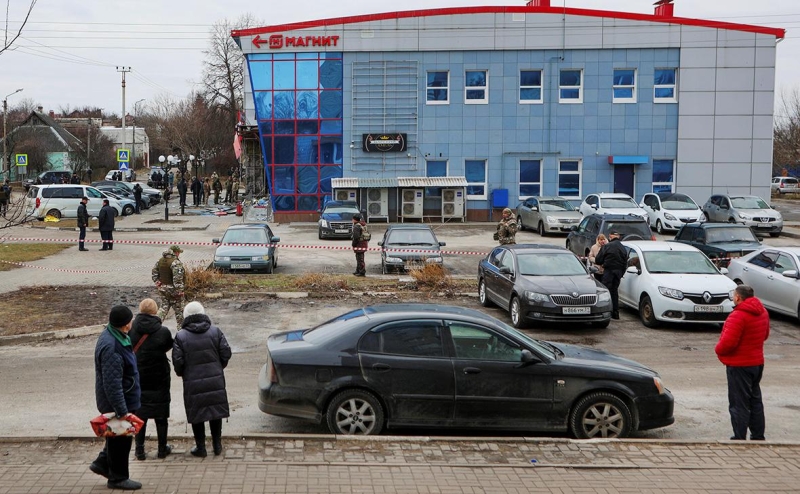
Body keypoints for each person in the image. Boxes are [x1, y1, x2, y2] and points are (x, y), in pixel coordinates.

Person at [89, 305, 142, 491]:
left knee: (115, 436)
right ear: (126, 324)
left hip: (123, 397)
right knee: (121, 440)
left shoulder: (114, 335)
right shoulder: (112, 346)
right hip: (120, 401)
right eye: (131, 319)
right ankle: (118, 478)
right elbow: (112, 384)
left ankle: (102, 463)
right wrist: (122, 412)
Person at [173, 301, 232, 458]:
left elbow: (178, 362)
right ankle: (217, 445)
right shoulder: (215, 331)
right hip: (215, 379)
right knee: (215, 411)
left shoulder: (181, 336)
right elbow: (226, 353)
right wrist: (219, 367)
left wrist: (182, 373)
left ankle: (201, 447)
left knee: (197, 412)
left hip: (192, 381)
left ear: (186, 316)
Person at [715, 285, 770, 441]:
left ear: (738, 297)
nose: (733, 298)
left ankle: (739, 436)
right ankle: (758, 435)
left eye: (734, 295)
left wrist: (717, 349)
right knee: (755, 399)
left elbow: (728, 343)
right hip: (757, 363)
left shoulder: (737, 316)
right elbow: (765, 335)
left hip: (739, 365)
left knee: (739, 402)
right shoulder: (763, 312)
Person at [129, 299, 174, 461]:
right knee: (161, 415)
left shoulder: (131, 330)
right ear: (155, 311)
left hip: (138, 376)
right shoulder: (163, 331)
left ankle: (139, 450)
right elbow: (169, 346)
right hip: (159, 377)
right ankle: (162, 449)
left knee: (140, 413)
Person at [594, 231, 627, 319]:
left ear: (610, 237)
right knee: (614, 291)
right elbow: (625, 263)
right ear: (618, 237)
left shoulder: (607, 246)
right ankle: (615, 313)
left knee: (605, 292)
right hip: (618, 272)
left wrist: (604, 263)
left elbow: (598, 260)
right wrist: (621, 273)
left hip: (608, 272)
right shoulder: (623, 248)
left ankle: (605, 312)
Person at [151, 245, 186, 327]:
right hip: (174, 291)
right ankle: (182, 331)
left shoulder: (160, 260)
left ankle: (154, 326)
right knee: (179, 312)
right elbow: (177, 279)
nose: (179, 254)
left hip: (163, 289)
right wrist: (180, 291)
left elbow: (154, 274)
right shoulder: (175, 262)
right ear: (176, 252)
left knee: (163, 308)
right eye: (178, 252)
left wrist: (158, 282)